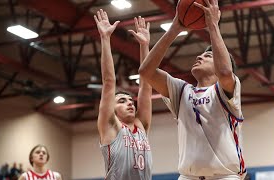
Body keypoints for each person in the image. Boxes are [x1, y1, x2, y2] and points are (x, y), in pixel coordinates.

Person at [139, 0, 246, 179]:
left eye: (208, 55)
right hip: (188, 177)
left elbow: (225, 71)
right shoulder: (181, 91)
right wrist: (175, 28)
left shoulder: (227, 90)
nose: (199, 56)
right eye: (201, 54)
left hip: (224, 176)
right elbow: (145, 72)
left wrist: (213, 26)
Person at [94, 9, 152, 180]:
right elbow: (109, 82)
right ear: (111, 108)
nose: (130, 103)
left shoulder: (141, 126)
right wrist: (105, 38)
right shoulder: (111, 126)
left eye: (130, 100)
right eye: (121, 101)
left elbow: (146, 88)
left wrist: (144, 46)